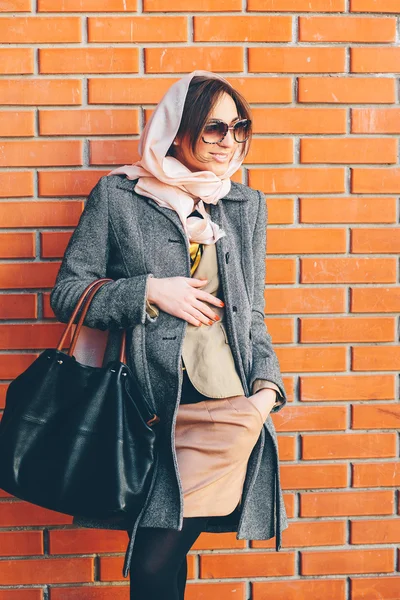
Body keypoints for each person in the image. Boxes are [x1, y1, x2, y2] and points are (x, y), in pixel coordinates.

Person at [50, 70, 289, 600]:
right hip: (149, 409)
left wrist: (266, 392)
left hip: (228, 408)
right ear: (176, 130)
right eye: (214, 129)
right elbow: (68, 292)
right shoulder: (118, 196)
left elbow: (254, 313)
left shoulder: (244, 206)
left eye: (239, 128)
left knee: (159, 554)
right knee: (159, 560)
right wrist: (150, 291)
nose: (229, 142)